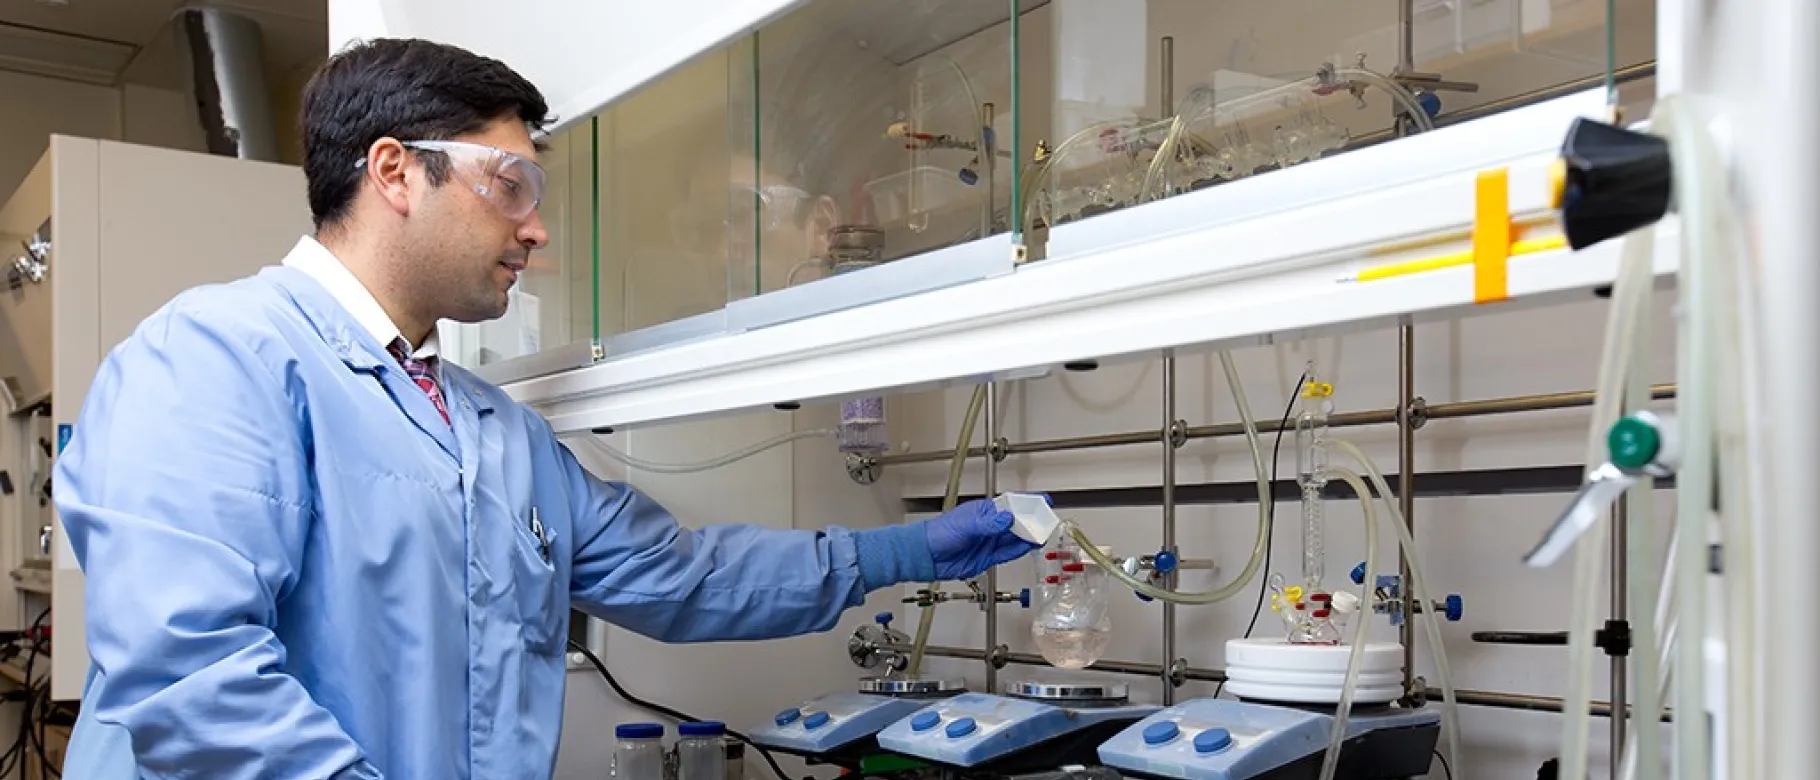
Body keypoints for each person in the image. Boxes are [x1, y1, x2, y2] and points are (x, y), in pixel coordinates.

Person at [54, 38, 1040, 780]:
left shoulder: (495, 433)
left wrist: (903, 554)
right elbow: (194, 679)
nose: (534, 226)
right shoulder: (215, 359)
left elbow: (680, 576)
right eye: (509, 184)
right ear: (394, 171)